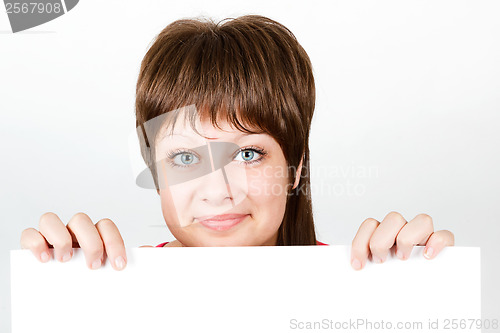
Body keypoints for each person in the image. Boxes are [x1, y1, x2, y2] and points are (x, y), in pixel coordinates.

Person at [20, 15, 454, 272]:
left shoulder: (368, 285)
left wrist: (420, 286)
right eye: (185, 157)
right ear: (155, 173)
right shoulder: (101, 287)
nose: (219, 190)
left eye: (248, 153)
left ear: (295, 166)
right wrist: (64, 286)